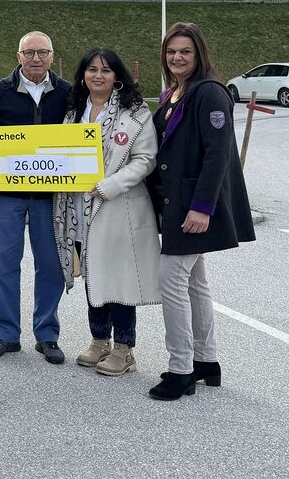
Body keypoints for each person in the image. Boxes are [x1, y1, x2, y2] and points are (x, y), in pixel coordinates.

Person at [147, 22, 255, 401]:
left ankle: (181, 369)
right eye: (171, 51)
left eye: (185, 52)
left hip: (193, 206)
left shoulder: (209, 93)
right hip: (173, 202)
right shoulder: (174, 93)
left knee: (171, 280)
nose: (176, 58)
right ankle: (206, 361)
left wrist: (203, 208)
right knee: (194, 283)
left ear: (199, 54)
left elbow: (218, 155)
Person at [0, 31, 71, 364]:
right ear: (18, 55)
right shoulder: (0, 91)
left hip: (50, 196)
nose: (36, 58)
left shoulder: (68, 93)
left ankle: (47, 335)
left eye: (42, 52)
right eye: (29, 52)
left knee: (51, 266)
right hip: (8, 193)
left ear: (52, 56)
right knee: (5, 264)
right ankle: (6, 333)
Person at [52, 48, 160, 377]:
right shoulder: (74, 111)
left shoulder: (135, 112)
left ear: (118, 77)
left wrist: (111, 185)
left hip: (118, 207)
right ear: (83, 75)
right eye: (92, 70)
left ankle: (125, 349)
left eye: (106, 70)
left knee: (119, 278)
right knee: (92, 273)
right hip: (79, 207)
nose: (98, 75)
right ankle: (99, 341)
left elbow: (146, 159)